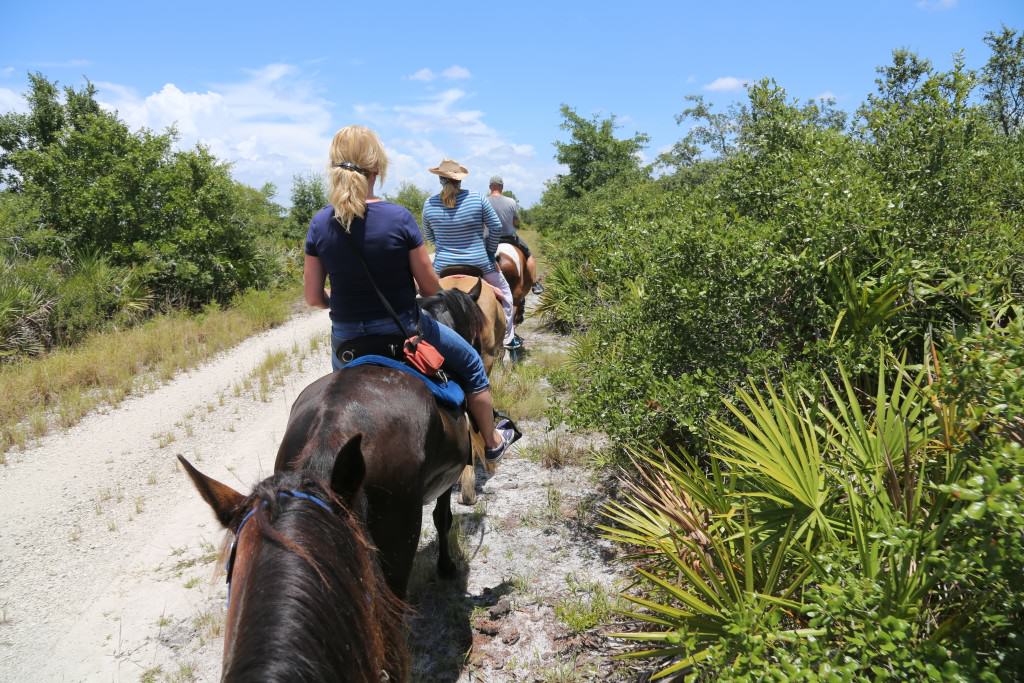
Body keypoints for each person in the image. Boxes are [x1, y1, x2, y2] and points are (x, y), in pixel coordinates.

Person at [304, 127, 515, 463]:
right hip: (403, 331)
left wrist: (339, 302)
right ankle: (490, 442)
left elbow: (314, 297)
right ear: (377, 169)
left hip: (346, 343)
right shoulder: (398, 217)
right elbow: (431, 289)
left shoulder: (319, 223)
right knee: (474, 367)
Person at [421, 159, 517, 349]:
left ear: (440, 179)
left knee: (420, 298)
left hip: (442, 266)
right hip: (479, 263)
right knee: (506, 295)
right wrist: (489, 252)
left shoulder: (429, 203)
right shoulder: (477, 198)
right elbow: (496, 226)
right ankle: (507, 339)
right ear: (460, 180)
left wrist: (445, 243)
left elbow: (429, 236)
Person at [486, 175, 542, 295]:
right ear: (502, 187)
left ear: (490, 187)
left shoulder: (483, 201)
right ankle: (534, 283)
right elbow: (516, 222)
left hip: (489, 239)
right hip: (509, 238)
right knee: (529, 255)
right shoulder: (511, 201)